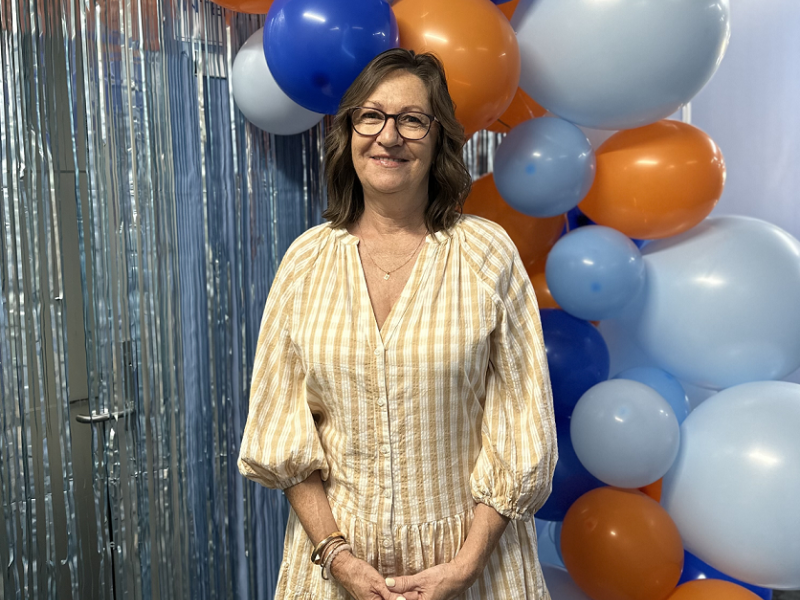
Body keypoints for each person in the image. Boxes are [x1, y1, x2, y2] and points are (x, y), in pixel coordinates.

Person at [238, 48, 557, 600]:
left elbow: (522, 425)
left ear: (438, 141)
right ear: (349, 132)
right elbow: (282, 431)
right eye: (371, 116)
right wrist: (336, 558)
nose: (389, 136)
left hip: (474, 567)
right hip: (336, 567)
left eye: (412, 119)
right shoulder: (305, 261)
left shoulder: (486, 255)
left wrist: (465, 565)